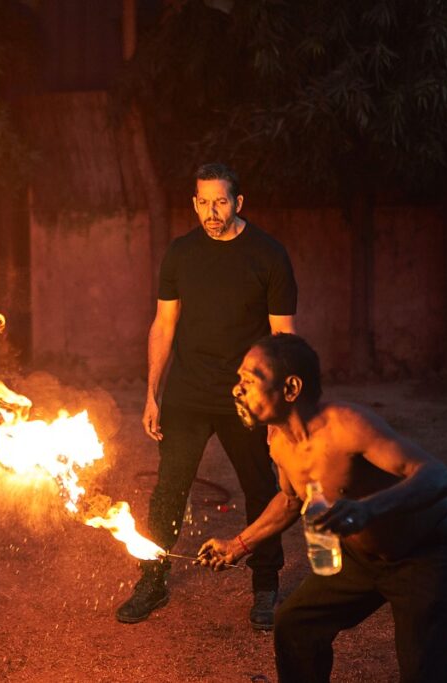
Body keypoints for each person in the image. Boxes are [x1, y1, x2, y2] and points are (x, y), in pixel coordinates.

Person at [198, 334, 447, 682]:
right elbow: (289, 501)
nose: (237, 390)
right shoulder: (279, 443)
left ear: (291, 388)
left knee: (424, 671)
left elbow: (438, 475)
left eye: (249, 381)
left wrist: (369, 510)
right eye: (239, 380)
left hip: (426, 553)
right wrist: (237, 545)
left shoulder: (346, 426)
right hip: (362, 559)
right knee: (296, 624)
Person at [116, 163, 298, 629]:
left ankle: (265, 586)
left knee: (262, 489)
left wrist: (280, 411)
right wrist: (152, 393)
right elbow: (164, 325)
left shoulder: (269, 256)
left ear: (239, 202)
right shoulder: (180, 254)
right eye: (203, 202)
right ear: (194, 203)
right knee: (168, 491)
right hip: (189, 392)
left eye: (221, 202)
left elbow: (283, 339)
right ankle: (152, 581)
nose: (211, 212)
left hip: (248, 397)